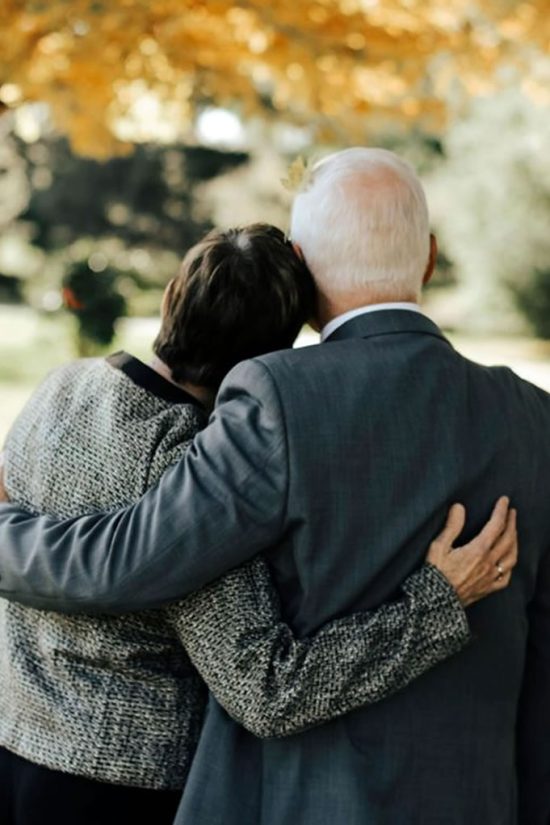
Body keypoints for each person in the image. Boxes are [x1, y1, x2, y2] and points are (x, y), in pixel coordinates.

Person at [0, 148, 540, 825]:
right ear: (429, 257)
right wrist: (438, 603)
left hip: (39, 755)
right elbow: (267, 685)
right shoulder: (530, 413)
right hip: (473, 794)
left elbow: (116, 562)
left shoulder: (69, 389)